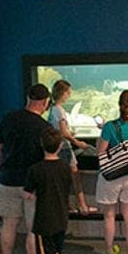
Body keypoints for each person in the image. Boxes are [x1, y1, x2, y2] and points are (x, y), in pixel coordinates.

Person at [0, 84, 52, 254]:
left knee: (8, 224)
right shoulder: (44, 127)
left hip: (7, 179)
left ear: (28, 98)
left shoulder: (8, 119)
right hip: (31, 185)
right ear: (45, 103)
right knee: (32, 229)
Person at [25, 127, 74, 254]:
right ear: (60, 146)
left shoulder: (35, 170)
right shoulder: (65, 168)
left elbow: (27, 194)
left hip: (44, 221)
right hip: (62, 218)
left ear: (41, 145)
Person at [96, 89, 128, 254]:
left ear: (119, 104)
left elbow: (101, 152)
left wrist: (100, 135)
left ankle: (110, 251)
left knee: (109, 215)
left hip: (111, 174)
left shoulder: (109, 126)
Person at [47, 80, 96, 214]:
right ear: (63, 93)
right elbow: (63, 133)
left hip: (58, 147)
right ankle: (82, 206)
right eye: (68, 91)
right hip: (64, 148)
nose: (70, 94)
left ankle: (68, 206)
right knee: (74, 177)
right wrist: (77, 142)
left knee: (64, 178)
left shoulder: (53, 109)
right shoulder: (59, 111)